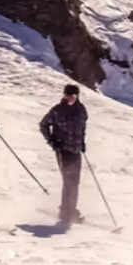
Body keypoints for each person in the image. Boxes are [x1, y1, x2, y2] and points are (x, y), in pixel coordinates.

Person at [40, 84, 88, 227]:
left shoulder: (81, 110)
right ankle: (66, 211)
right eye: (68, 96)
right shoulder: (57, 111)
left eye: (73, 96)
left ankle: (71, 209)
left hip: (76, 150)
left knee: (75, 182)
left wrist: (83, 142)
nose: (71, 99)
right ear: (64, 95)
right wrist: (53, 142)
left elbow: (83, 126)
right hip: (63, 150)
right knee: (68, 181)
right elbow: (43, 125)